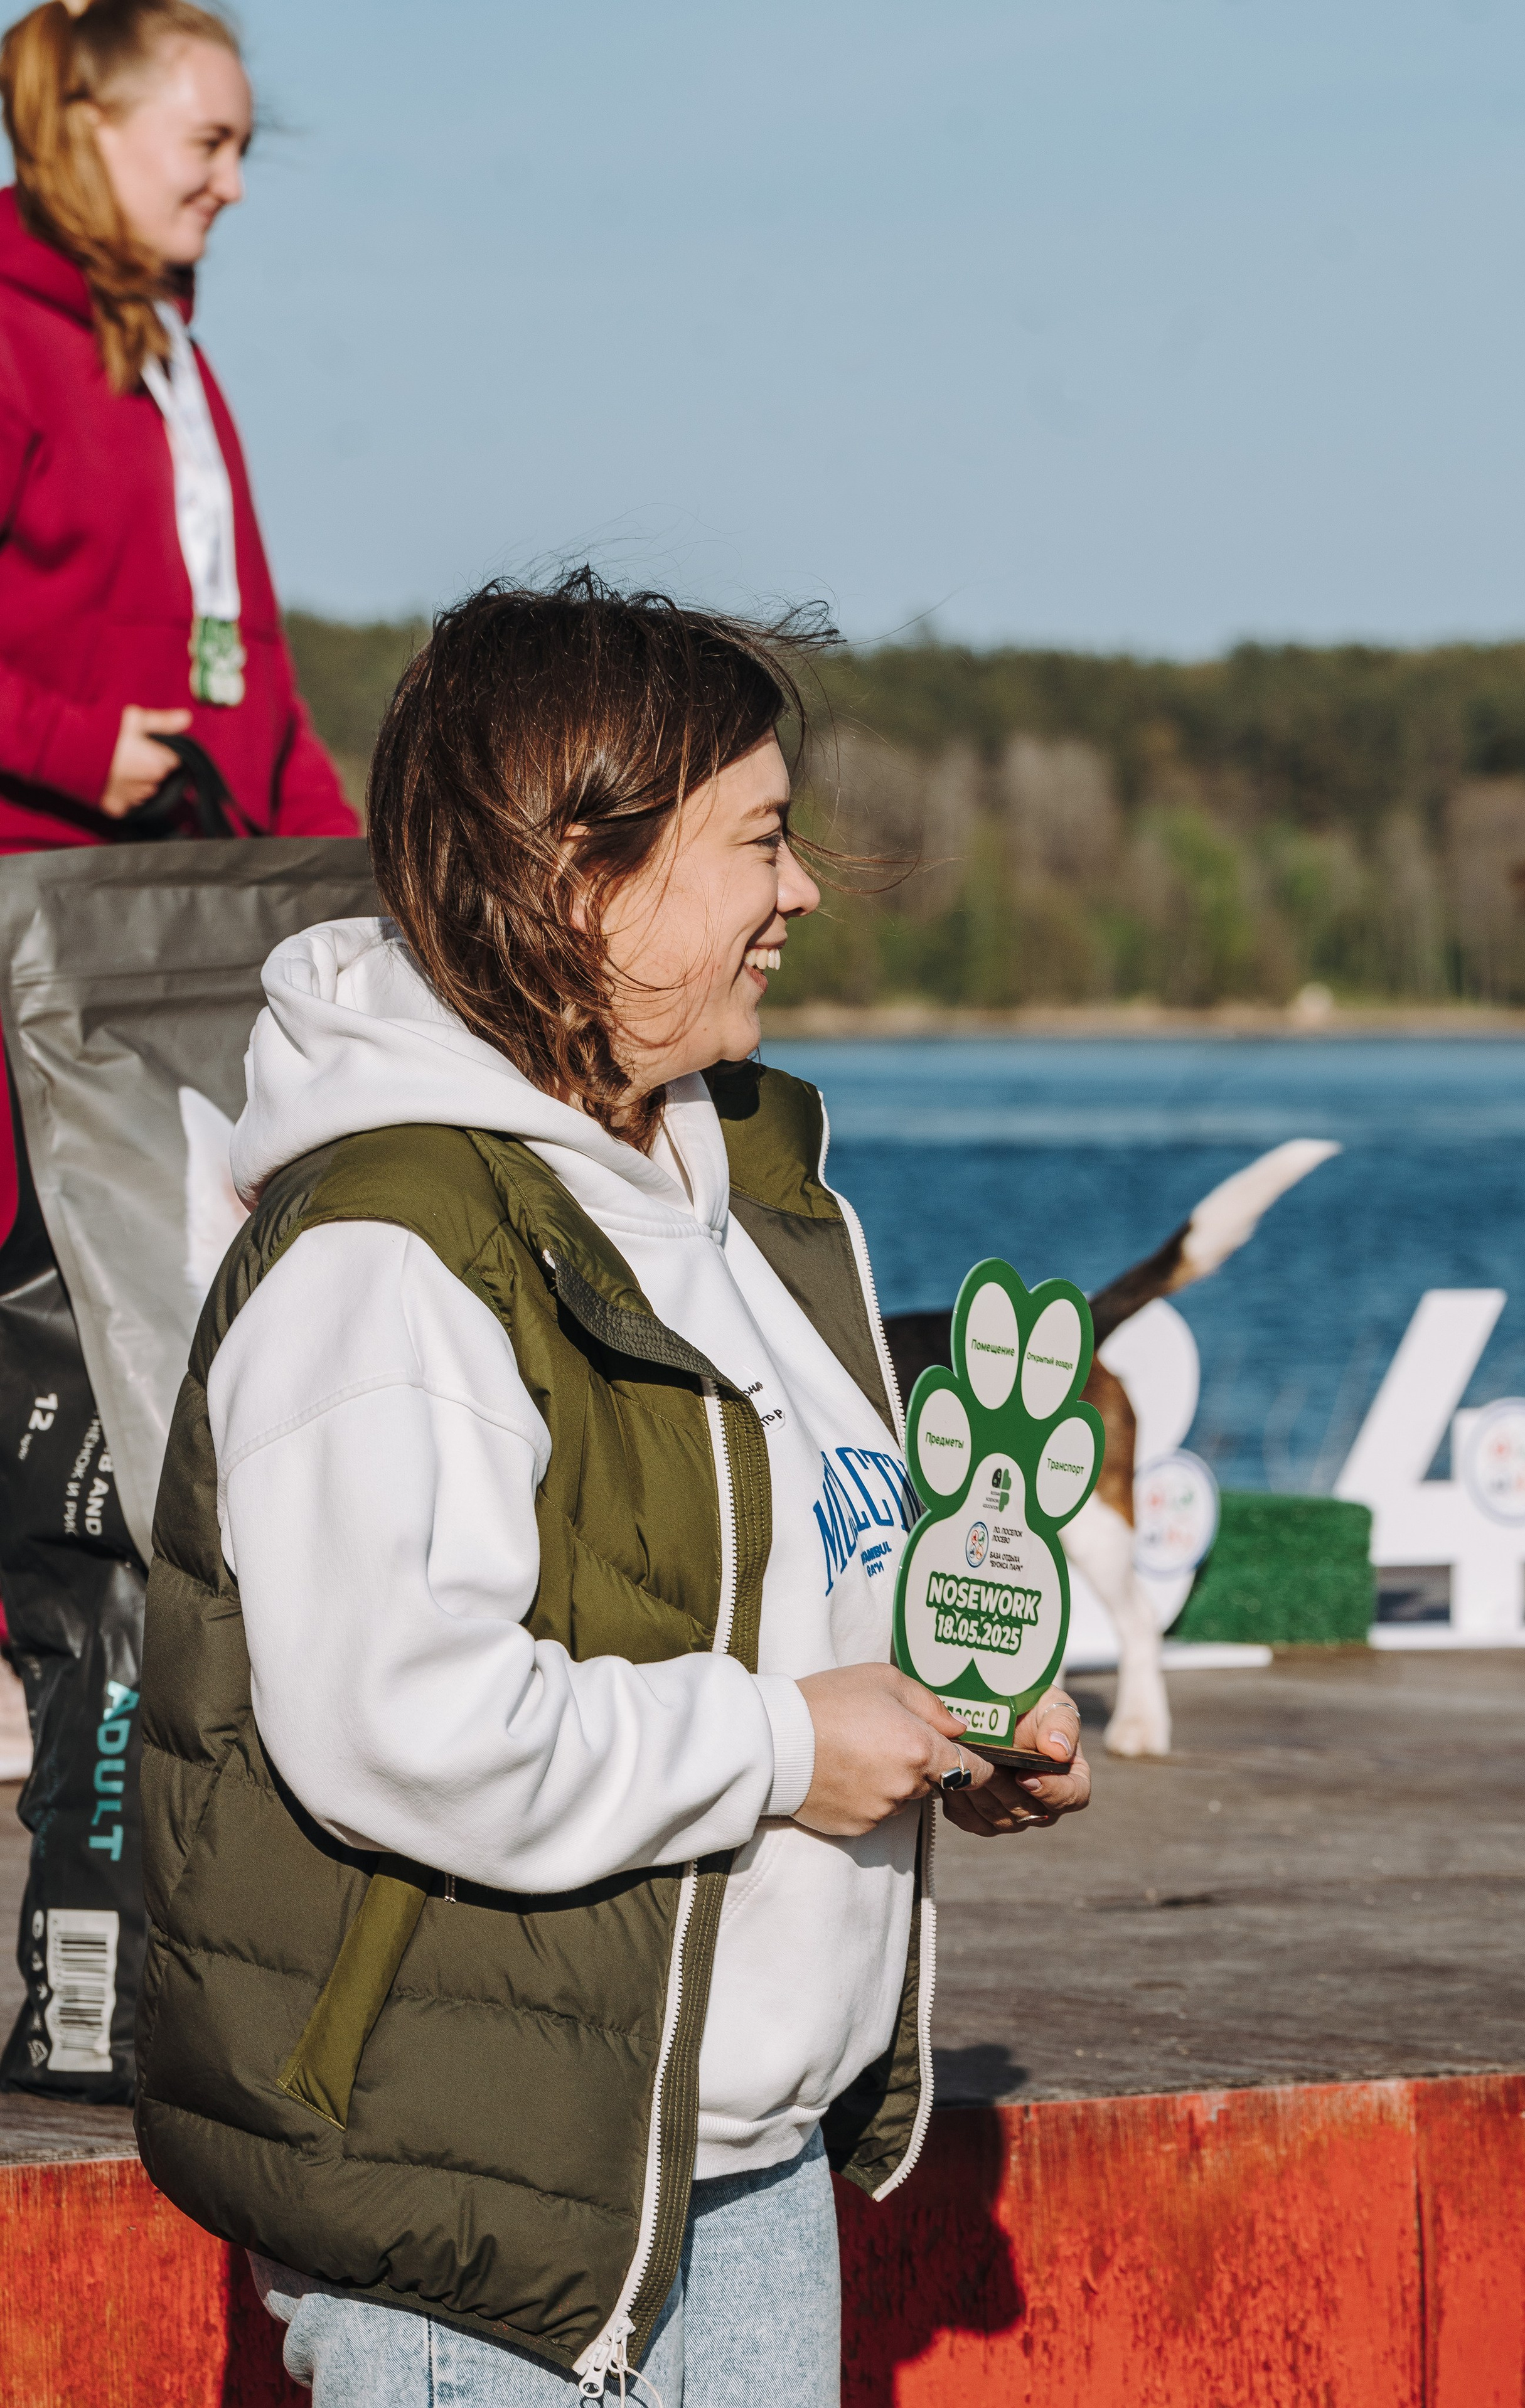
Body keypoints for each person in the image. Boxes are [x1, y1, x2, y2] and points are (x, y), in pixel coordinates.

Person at [135, 575, 1092, 2407]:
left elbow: (777, 1598)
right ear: (583, 877)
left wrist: (946, 1721)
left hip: (735, 2156)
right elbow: (406, 1721)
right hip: (488, 2214)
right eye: (759, 839)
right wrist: (786, 1747)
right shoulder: (391, 1251)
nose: (800, 892)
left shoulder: (737, 1205)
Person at [0, 0, 356, 850]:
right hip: (35, 895)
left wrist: (341, 863)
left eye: (242, 151)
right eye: (208, 143)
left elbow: (258, 671)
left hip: (188, 895)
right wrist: (76, 752)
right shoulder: (11, 340)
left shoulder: (181, 372)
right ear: (94, 126)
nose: (233, 186)